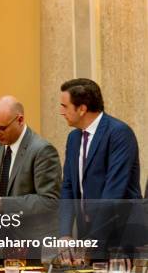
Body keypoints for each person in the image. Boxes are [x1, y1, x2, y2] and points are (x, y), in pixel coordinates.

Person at [59, 78, 142, 257]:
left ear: (82, 109)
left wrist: (92, 242)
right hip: (88, 238)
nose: (61, 112)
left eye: (65, 106)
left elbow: (113, 193)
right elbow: (67, 187)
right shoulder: (73, 139)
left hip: (118, 241)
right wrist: (65, 234)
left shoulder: (119, 133)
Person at [0, 96, 61, 261]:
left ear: (20, 120)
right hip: (0, 244)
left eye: (1, 128)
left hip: (34, 246)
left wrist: (4, 204)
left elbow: (49, 200)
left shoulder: (42, 150)